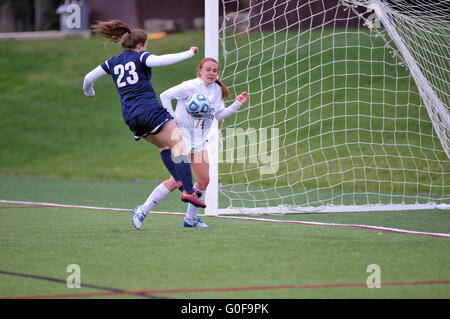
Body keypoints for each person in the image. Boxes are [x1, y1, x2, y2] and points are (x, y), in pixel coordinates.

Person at [82, 20, 206, 211]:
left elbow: (88, 78)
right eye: (146, 45)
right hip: (149, 111)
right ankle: (189, 190)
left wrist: (89, 92)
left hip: (131, 117)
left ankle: (180, 181)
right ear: (140, 45)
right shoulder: (140, 57)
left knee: (164, 145)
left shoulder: (112, 62)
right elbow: (162, 60)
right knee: (179, 144)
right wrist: (189, 53)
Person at [132, 57, 249, 229]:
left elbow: (219, 115)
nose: (211, 73)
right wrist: (172, 120)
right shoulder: (191, 85)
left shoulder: (217, 90)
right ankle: (142, 210)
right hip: (181, 138)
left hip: (200, 140)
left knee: (203, 180)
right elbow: (165, 96)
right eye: (208, 69)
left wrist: (237, 104)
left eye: (214, 70)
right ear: (200, 70)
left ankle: (190, 219)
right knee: (175, 181)